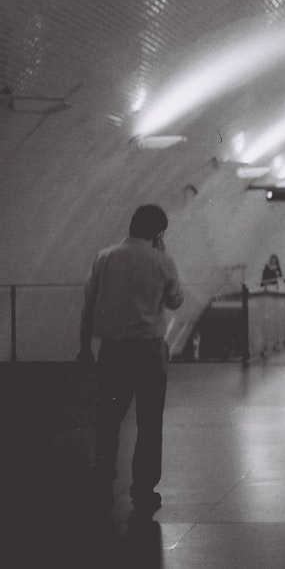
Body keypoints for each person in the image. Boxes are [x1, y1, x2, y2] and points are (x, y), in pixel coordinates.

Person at [78, 204, 184, 518]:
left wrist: (84, 348)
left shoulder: (105, 257)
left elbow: (89, 306)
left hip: (113, 351)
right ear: (159, 232)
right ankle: (143, 488)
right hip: (149, 351)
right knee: (149, 422)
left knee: (108, 417)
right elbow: (175, 300)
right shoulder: (161, 260)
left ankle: (103, 474)